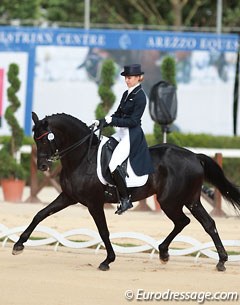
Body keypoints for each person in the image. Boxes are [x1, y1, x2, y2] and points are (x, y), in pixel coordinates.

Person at [93, 64, 154, 214]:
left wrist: (111, 121)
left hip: (131, 135)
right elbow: (118, 113)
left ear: (139, 77)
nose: (127, 80)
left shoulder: (141, 96)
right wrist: (103, 120)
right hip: (120, 132)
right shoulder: (127, 94)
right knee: (103, 148)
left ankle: (125, 199)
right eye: (126, 77)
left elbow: (133, 121)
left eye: (130, 78)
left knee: (114, 164)